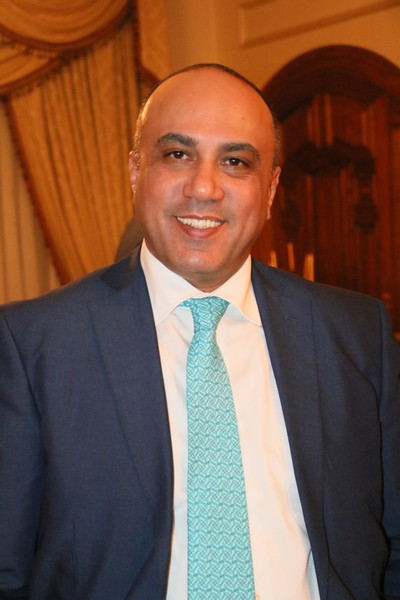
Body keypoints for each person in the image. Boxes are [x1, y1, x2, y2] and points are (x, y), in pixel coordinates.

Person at [0, 63, 399, 600]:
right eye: (177, 154)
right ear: (136, 171)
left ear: (270, 188)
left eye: (236, 161)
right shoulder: (33, 347)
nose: (204, 187)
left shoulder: (356, 335)